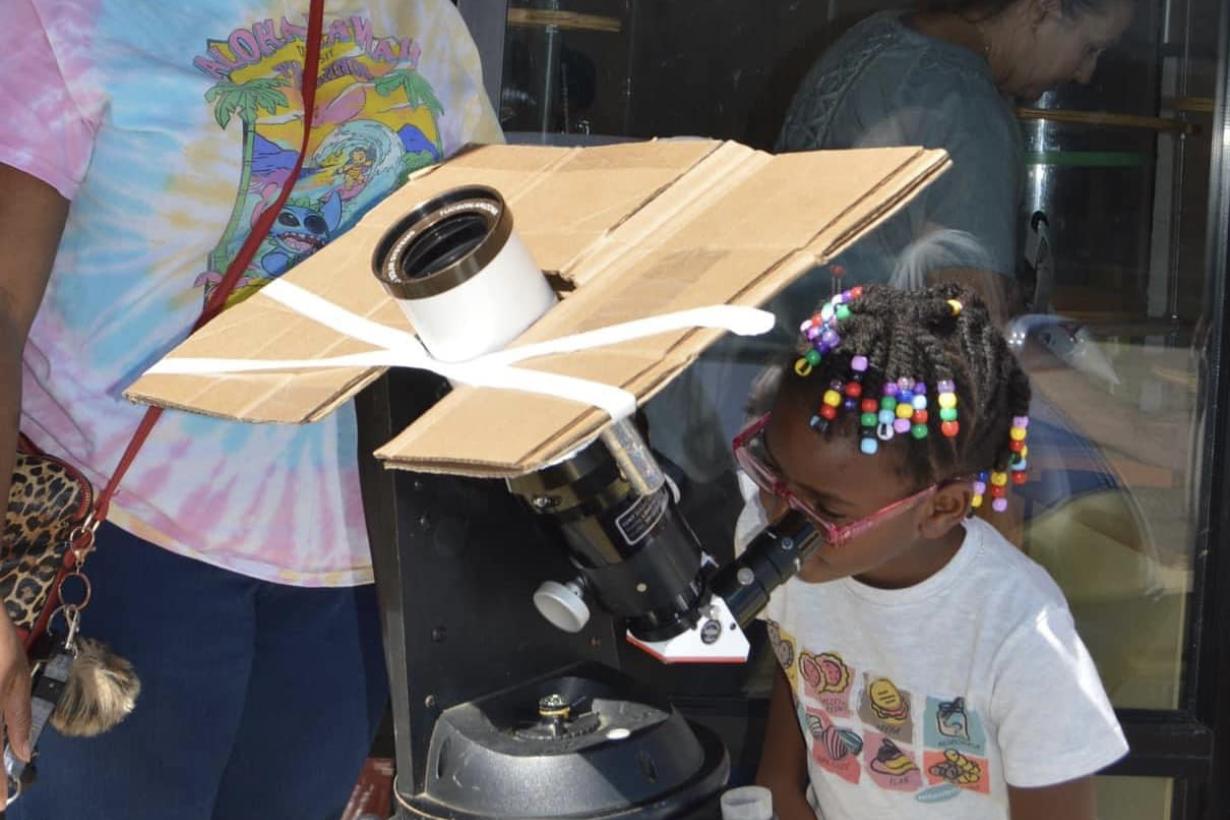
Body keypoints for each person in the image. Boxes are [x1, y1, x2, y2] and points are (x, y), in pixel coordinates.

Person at [0, 1, 501, 817]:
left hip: (349, 573)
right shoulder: (65, 14)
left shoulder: (423, 17)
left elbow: (477, 244)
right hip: (121, 554)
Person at [744, 283, 1127, 819]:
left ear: (940, 509)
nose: (783, 521)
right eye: (773, 473)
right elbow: (804, 662)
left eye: (826, 510)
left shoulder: (1024, 641)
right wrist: (780, 786)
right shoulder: (789, 555)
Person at [775, 0, 1134, 324]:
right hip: (869, 380)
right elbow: (971, 335)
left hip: (793, 361)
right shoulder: (968, 107)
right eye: (1090, 48)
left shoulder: (873, 38)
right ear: (1043, 9)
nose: (1085, 73)